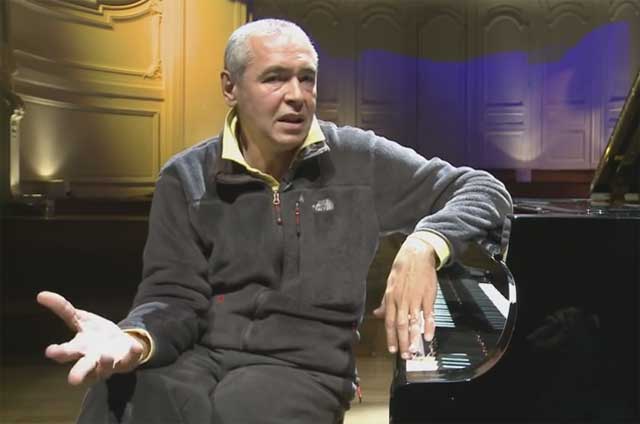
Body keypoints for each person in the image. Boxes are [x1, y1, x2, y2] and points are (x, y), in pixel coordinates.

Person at [37, 19, 512, 423]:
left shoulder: (357, 158)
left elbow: (484, 190)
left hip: (305, 366)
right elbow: (172, 296)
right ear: (230, 87)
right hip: (199, 356)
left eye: (307, 79)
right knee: (116, 397)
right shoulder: (185, 177)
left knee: (241, 414)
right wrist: (133, 340)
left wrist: (426, 243)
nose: (297, 96)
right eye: (275, 79)